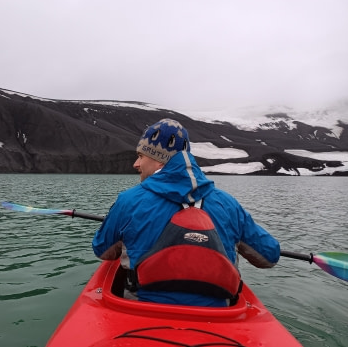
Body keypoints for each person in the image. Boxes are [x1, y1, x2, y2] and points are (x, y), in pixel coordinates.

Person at [92, 118, 280, 307]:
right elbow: (269, 256)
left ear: (159, 161)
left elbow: (103, 251)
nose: (136, 164)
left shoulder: (128, 200)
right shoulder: (228, 204)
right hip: (217, 319)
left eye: (141, 156)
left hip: (143, 312)